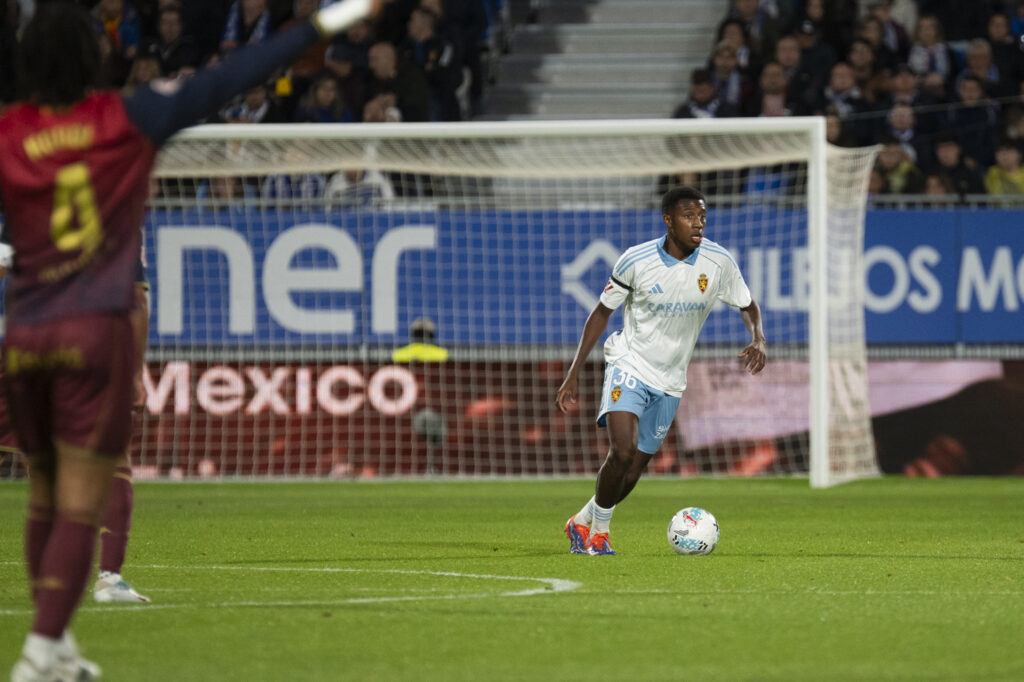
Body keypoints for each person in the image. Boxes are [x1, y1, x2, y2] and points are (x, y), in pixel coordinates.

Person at [0, 1, 380, 679]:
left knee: (45, 491)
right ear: (94, 57)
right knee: (85, 491)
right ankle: (40, 649)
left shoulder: (9, 131)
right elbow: (233, 74)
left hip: (25, 335)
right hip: (95, 331)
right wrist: (325, 22)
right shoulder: (127, 116)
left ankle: (53, 646)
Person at [555, 186, 766, 556]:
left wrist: (758, 337)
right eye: (689, 216)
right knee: (622, 452)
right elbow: (601, 312)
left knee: (634, 469)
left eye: (702, 216)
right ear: (668, 221)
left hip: (670, 379)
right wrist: (574, 371)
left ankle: (583, 519)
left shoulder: (718, 262)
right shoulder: (635, 260)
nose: (698, 224)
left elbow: (747, 305)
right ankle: (599, 534)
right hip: (629, 363)